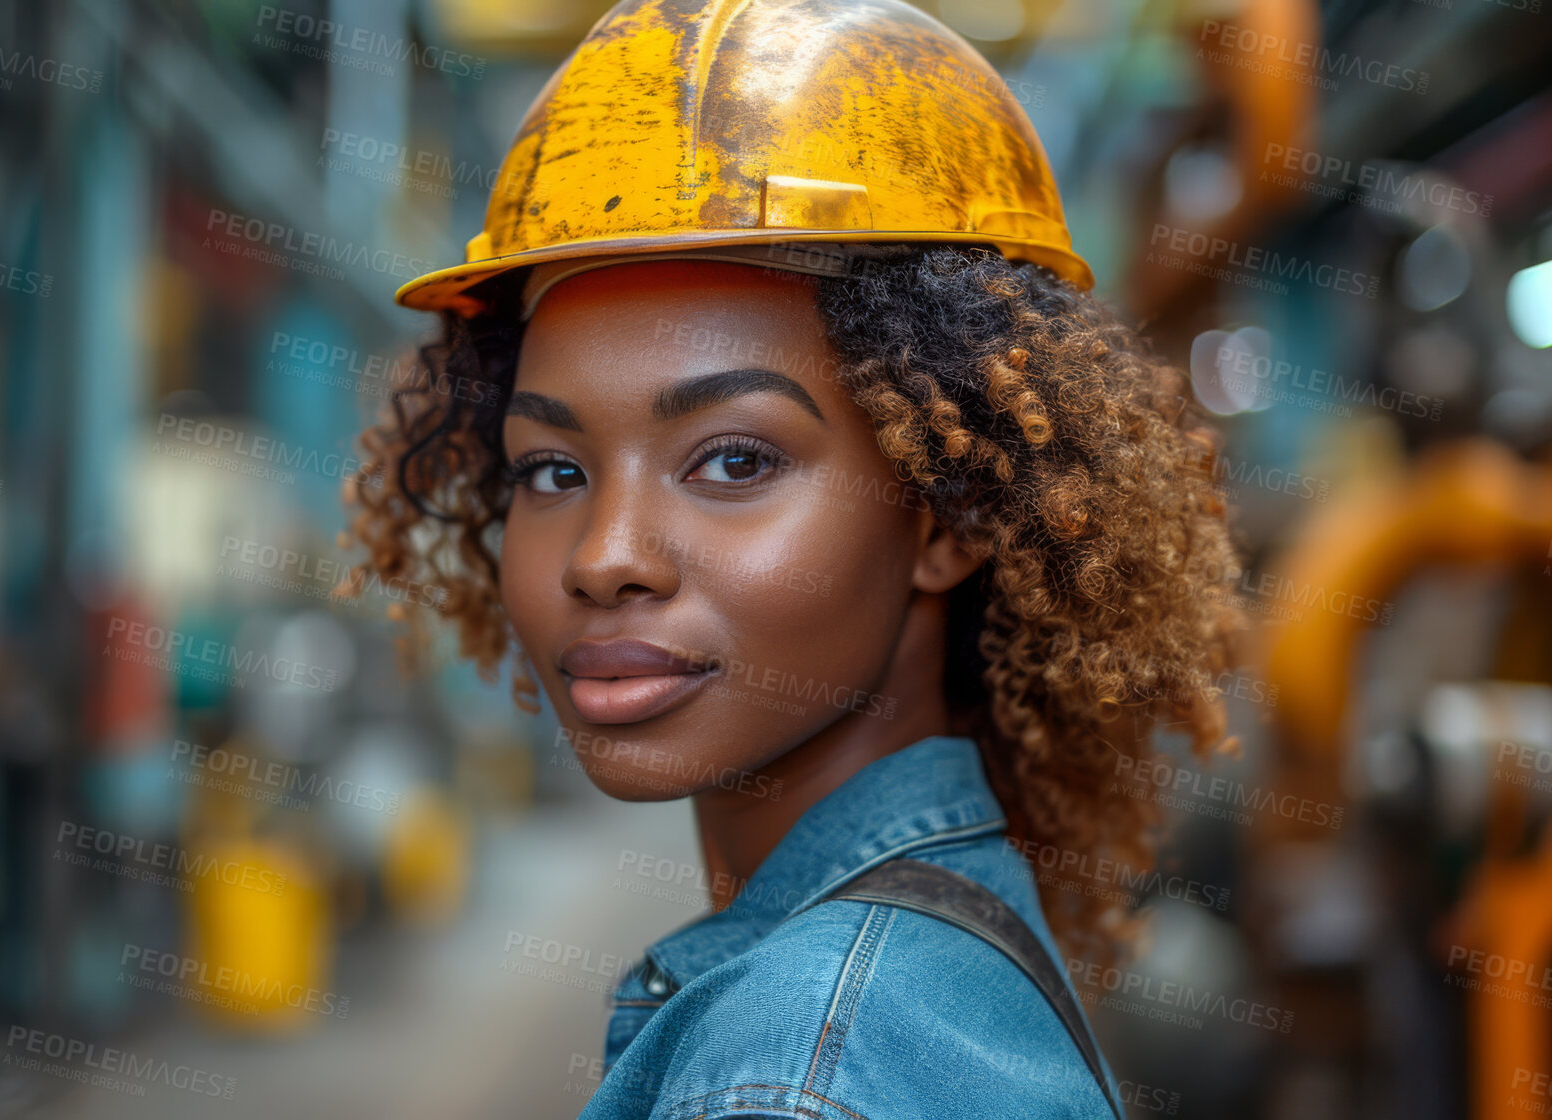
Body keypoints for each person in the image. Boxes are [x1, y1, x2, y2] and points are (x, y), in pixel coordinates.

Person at [344, 0, 1241, 1116]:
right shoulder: (920, 961)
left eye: (730, 461)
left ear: (947, 514)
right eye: (553, 472)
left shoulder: (799, 1075)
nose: (602, 558)